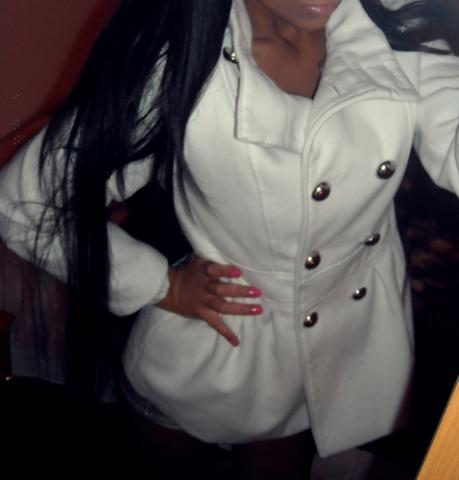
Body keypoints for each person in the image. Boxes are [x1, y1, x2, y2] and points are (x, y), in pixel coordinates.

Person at [0, 0, 458, 478]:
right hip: (208, 356)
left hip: (329, 357)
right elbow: (25, 203)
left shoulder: (394, 25)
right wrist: (160, 284)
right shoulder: (179, 62)